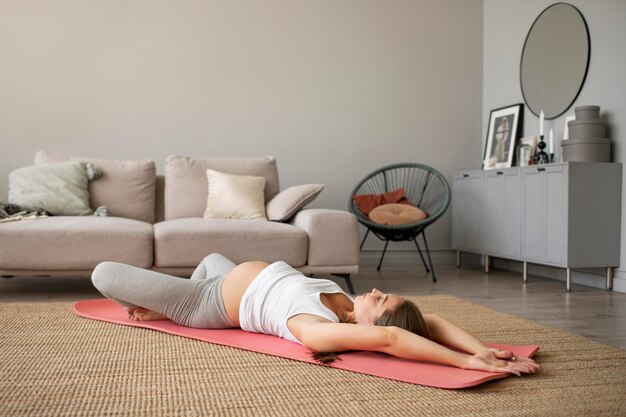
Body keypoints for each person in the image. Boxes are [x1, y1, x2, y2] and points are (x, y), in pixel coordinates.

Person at [91, 254, 540, 376]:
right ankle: (160, 302)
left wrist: (465, 364)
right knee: (210, 256)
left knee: (103, 273)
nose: (378, 291)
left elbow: (394, 340)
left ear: (370, 327)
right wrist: (484, 349)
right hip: (217, 276)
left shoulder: (319, 331)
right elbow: (432, 324)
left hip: (203, 305)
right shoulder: (344, 301)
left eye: (380, 302)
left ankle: (168, 307)